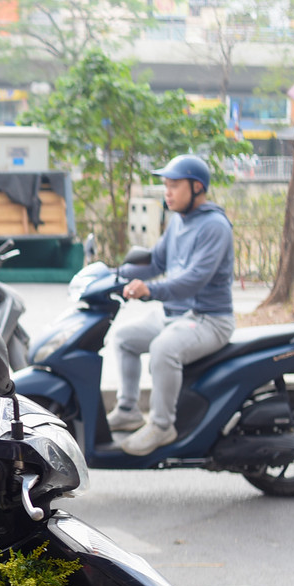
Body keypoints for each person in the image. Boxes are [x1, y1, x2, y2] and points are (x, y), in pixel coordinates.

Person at [108, 154, 236, 456]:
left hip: (210, 319)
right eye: (166, 185)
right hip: (177, 315)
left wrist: (149, 290)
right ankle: (128, 410)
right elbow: (156, 261)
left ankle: (163, 426)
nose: (167, 192)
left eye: (174, 185)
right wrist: (113, 274)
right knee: (125, 338)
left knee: (163, 349)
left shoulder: (215, 227)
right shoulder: (179, 221)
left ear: (196, 187)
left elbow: (194, 280)